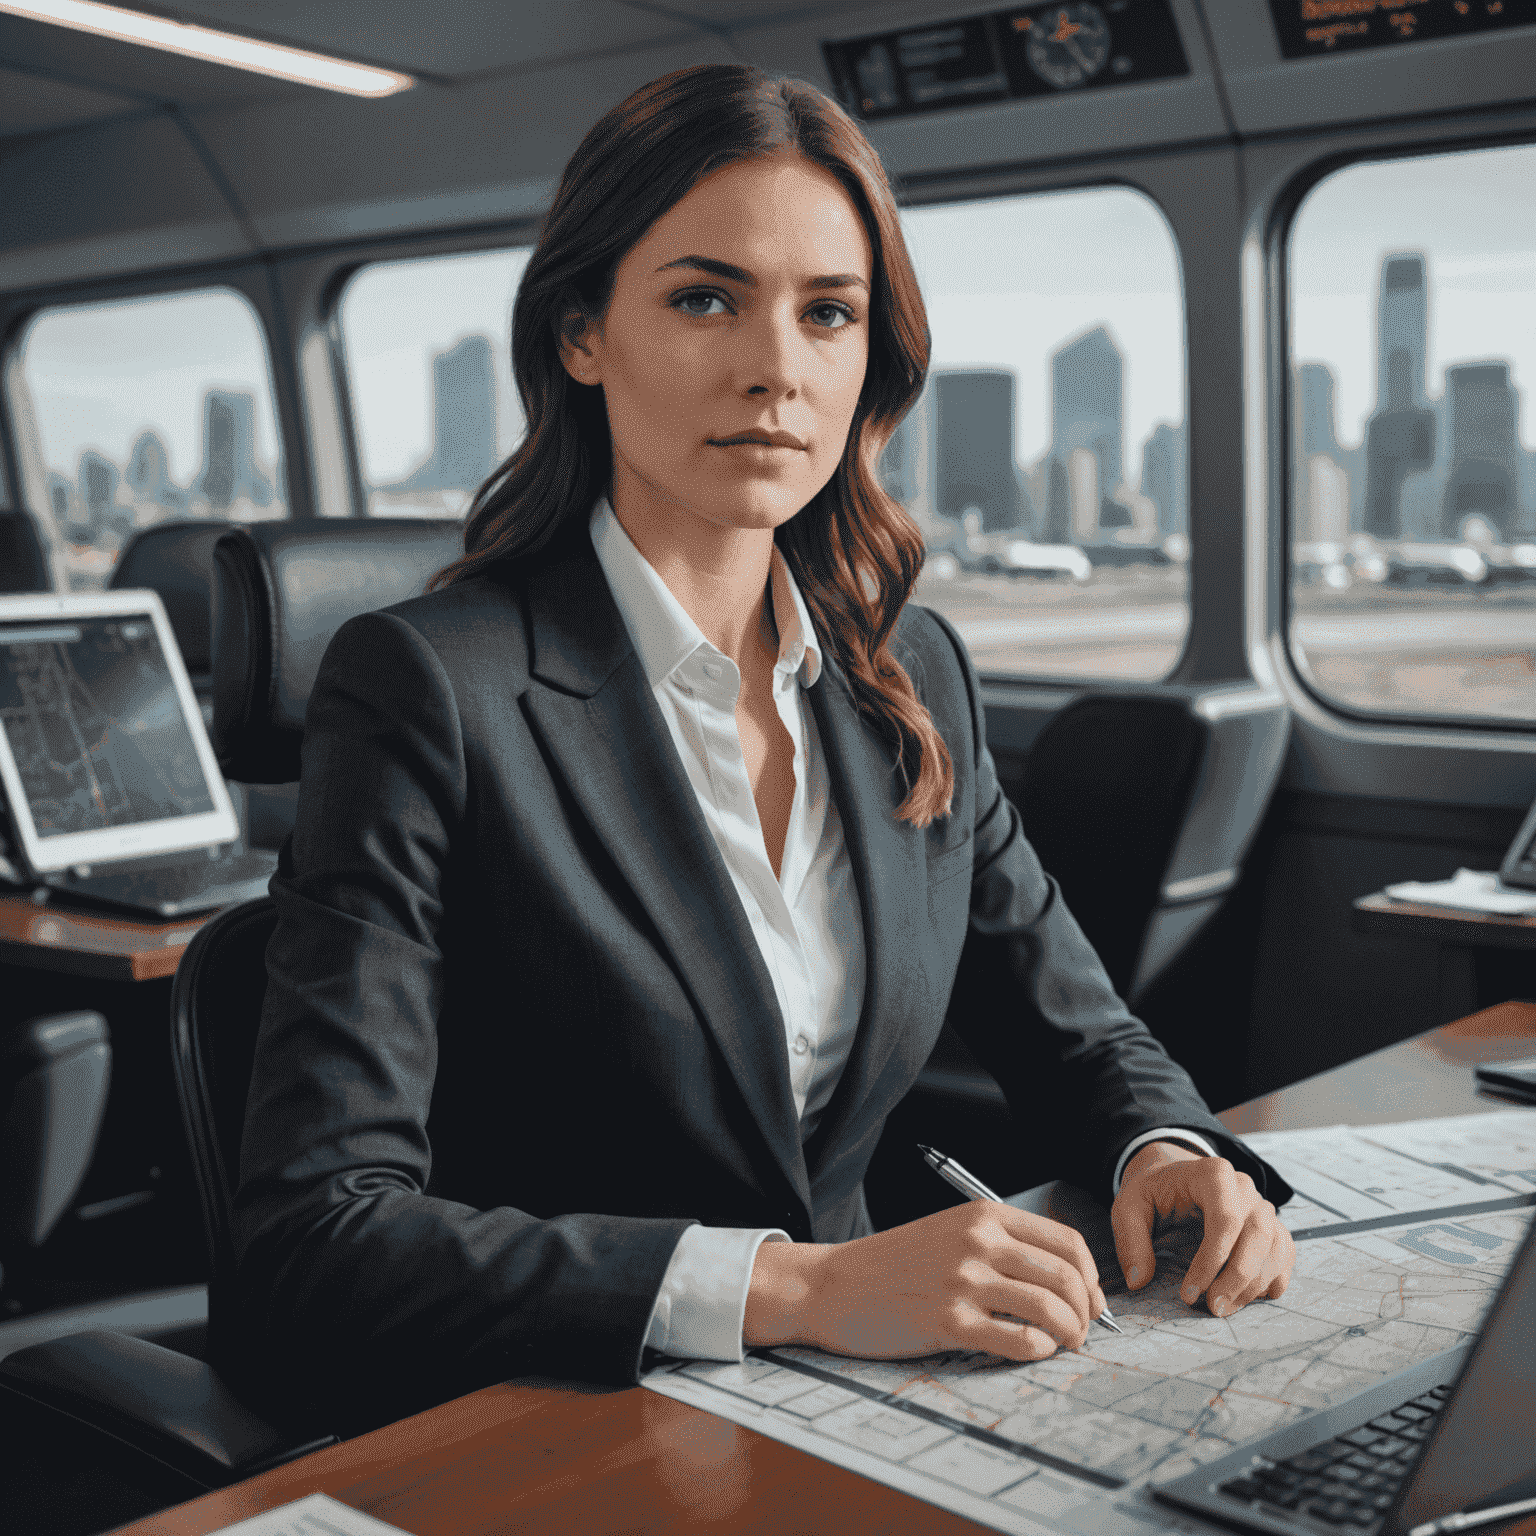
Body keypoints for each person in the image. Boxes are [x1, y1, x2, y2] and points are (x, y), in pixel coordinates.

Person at [231, 63, 1294, 1432]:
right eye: (703, 298)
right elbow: (311, 1240)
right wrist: (797, 1290)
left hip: (845, 1405)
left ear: (870, 360)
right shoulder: (428, 688)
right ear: (579, 334)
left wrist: (1171, 1149)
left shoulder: (907, 672)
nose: (775, 369)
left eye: (828, 314)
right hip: (552, 1417)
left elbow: (1084, 1034)